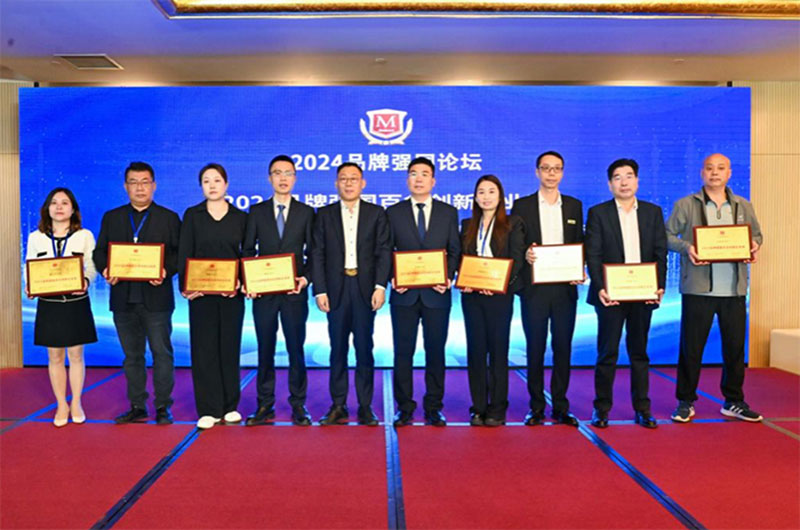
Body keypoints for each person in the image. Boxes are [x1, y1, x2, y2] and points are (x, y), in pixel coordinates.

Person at [666, 153, 763, 423]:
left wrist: (754, 245)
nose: (715, 173)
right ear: (702, 173)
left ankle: (734, 401)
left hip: (734, 289)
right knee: (691, 348)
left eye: (721, 168)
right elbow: (666, 235)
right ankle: (685, 402)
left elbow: (757, 234)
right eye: (709, 168)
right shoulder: (686, 204)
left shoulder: (743, 205)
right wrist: (687, 247)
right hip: (698, 289)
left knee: (734, 349)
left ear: (729, 173)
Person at [93, 162, 181, 425]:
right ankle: (137, 406)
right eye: (134, 182)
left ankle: (163, 406)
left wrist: (165, 270)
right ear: (125, 186)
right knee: (132, 356)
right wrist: (106, 269)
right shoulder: (113, 217)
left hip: (157, 298)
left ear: (154, 185)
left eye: (145, 182)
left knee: (162, 354)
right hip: (123, 298)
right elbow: (100, 252)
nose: (140, 188)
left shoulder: (168, 218)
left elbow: (179, 253)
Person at [585, 158, 667, 429]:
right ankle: (601, 409)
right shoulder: (598, 213)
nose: (624, 182)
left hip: (643, 293)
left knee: (639, 353)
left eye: (629, 176)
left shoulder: (652, 212)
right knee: (607, 353)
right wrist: (600, 288)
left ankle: (643, 408)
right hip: (610, 295)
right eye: (617, 177)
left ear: (637, 181)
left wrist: (659, 286)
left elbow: (660, 252)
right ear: (610, 184)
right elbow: (593, 254)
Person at [311, 162, 391, 426]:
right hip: (335, 289)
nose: (348, 183)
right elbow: (317, 254)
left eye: (353, 178)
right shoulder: (324, 214)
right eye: (343, 178)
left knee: (365, 348)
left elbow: (383, 252)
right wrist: (320, 289)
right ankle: (338, 405)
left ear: (363, 183)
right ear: (336, 183)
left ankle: (365, 406)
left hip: (365, 289)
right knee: (337, 348)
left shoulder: (376, 213)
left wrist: (380, 286)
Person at [511, 151, 584, 427]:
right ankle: (536, 407)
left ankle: (561, 406)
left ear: (562, 173)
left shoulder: (574, 206)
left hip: (565, 288)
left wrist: (579, 268)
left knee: (563, 347)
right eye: (546, 168)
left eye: (557, 168)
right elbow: (515, 245)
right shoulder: (522, 206)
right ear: (537, 172)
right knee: (535, 347)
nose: (551, 173)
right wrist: (525, 255)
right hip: (535, 289)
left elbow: (580, 243)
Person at [386, 157, 461, 427]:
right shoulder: (393, 212)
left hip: (436, 294)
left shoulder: (448, 212)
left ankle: (433, 407)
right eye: (413, 174)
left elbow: (455, 250)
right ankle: (404, 407)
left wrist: (448, 276)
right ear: (407, 179)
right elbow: (385, 250)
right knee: (402, 352)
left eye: (424, 174)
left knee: (435, 352)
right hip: (404, 294)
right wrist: (392, 277)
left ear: (433, 181)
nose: (418, 179)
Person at [243, 155, 315, 426]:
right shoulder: (257, 212)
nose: (283, 178)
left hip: (294, 293)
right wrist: (249, 282)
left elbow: (314, 253)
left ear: (295, 178)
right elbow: (248, 250)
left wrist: (305, 279)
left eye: (288, 173)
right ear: (269, 178)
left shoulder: (306, 212)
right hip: (264, 294)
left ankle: (299, 405)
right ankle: (265, 405)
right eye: (277, 173)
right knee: (265, 349)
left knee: (296, 349)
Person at [178, 163, 247, 430]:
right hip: (201, 294)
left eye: (217, 180)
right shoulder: (193, 215)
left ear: (226, 184)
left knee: (229, 348)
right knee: (204, 349)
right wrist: (186, 285)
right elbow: (185, 251)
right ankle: (208, 408)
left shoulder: (240, 217)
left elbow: (246, 254)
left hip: (231, 295)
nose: (212, 185)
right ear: (201, 186)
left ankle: (230, 405)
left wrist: (242, 280)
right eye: (206, 181)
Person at [25, 188, 98, 427]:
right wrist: (30, 285)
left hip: (76, 303)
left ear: (73, 209)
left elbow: (91, 267)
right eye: (54, 203)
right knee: (54, 356)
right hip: (50, 305)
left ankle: (76, 402)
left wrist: (85, 281)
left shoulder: (84, 236)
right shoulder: (36, 237)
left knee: (76, 355)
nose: (59, 207)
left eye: (65, 203)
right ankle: (61, 404)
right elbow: (30, 266)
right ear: (47, 208)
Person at [458, 175, 524, 426]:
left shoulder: (512, 223)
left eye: (491, 191)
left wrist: (498, 284)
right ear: (475, 198)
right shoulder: (467, 225)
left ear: (500, 196)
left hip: (499, 297)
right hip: (472, 297)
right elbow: (461, 259)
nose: (486, 197)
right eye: (481, 192)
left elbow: (517, 258)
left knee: (497, 351)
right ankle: (478, 407)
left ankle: (497, 407)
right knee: (475, 352)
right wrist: (465, 279)